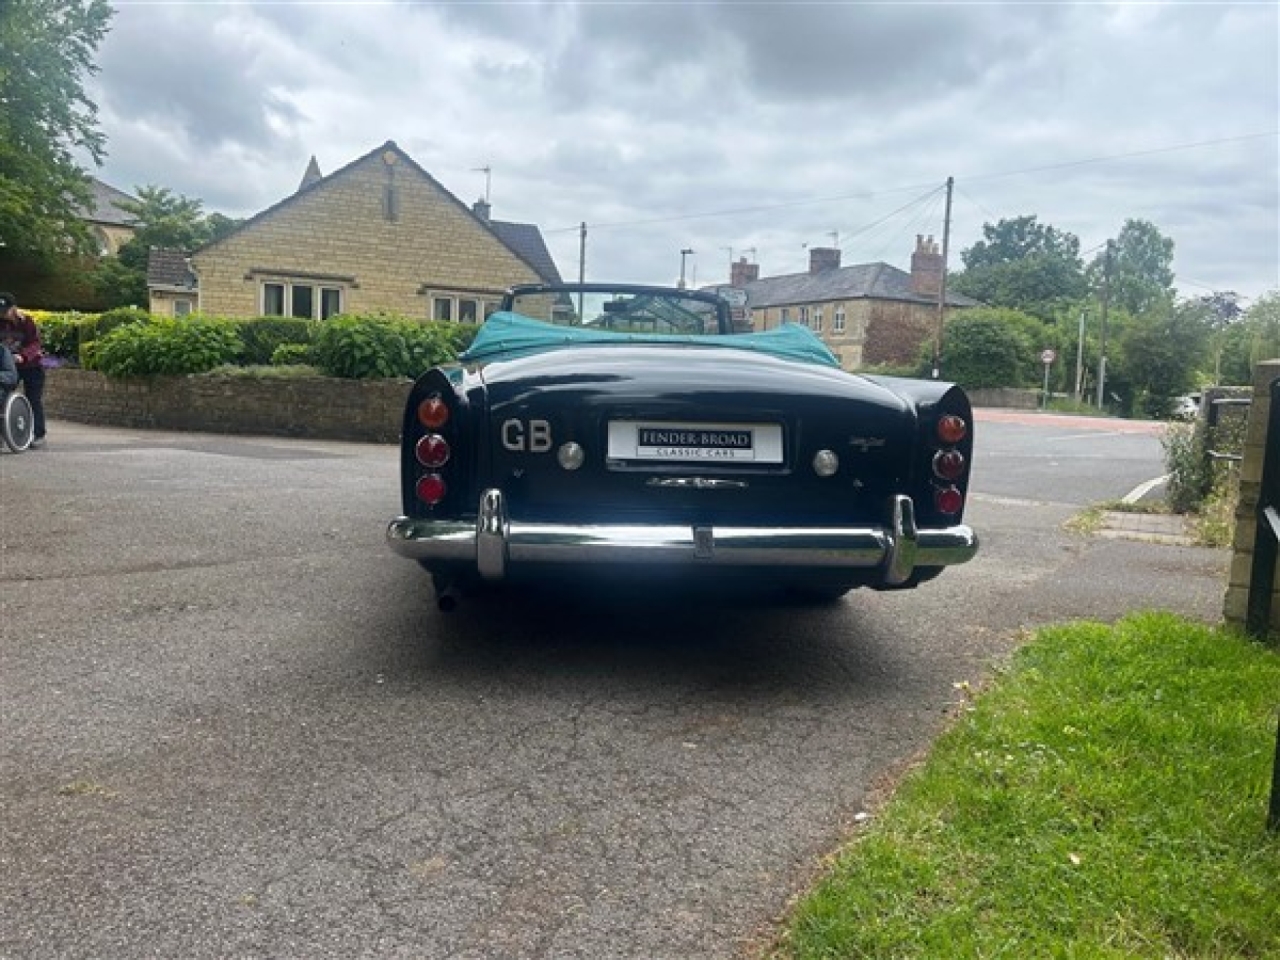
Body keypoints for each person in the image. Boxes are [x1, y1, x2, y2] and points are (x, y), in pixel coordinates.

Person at [0, 292, 46, 447]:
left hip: (31, 366)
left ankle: (38, 434)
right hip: (10, 366)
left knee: (33, 399)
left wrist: (23, 356)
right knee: (3, 394)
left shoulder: (26, 322)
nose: (3, 313)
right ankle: (4, 433)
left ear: (13, 308)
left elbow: (35, 344)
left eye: (5, 310)